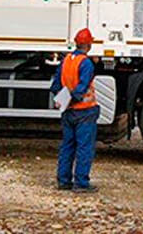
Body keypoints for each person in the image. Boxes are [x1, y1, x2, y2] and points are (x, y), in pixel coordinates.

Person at [51, 27, 100, 191]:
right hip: (84, 110)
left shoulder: (66, 60)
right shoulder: (86, 63)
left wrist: (63, 100)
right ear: (88, 45)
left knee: (67, 146)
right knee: (84, 148)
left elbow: (56, 84)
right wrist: (74, 99)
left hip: (68, 111)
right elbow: (82, 86)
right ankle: (81, 183)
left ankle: (63, 181)